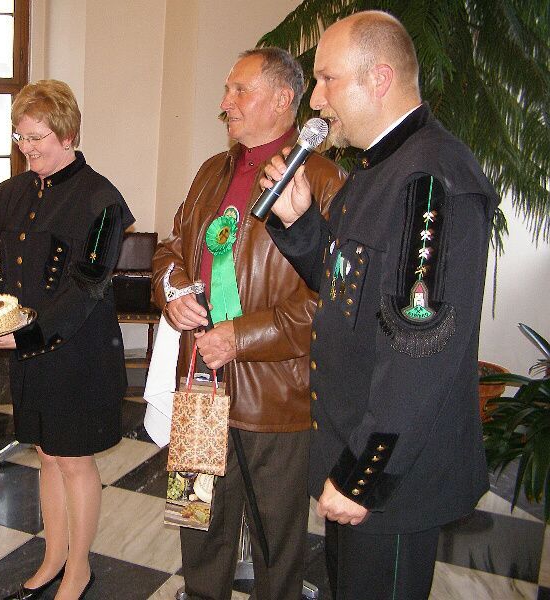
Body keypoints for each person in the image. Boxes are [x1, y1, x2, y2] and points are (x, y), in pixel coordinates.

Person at [262, 11, 499, 600]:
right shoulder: (378, 170)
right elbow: (349, 290)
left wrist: (364, 475)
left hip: (391, 479)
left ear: (380, 78)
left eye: (327, 79)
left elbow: (422, 353)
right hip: (354, 446)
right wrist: (302, 224)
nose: (316, 100)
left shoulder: (430, 180)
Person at [0, 79, 134, 600]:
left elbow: (86, 289)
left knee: (74, 460)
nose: (27, 148)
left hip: (78, 353)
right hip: (31, 353)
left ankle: (78, 569)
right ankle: (52, 557)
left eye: (37, 137)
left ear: (68, 134)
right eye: (20, 137)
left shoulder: (103, 201)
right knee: (46, 453)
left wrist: (25, 337)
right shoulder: (11, 194)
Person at [153, 48, 345, 600]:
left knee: (275, 546)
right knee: (197, 525)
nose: (225, 103)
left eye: (240, 90)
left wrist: (240, 337)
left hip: (274, 399)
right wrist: (173, 293)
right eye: (226, 90)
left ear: (284, 99)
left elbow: (331, 302)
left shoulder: (323, 179)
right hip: (199, 384)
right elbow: (171, 250)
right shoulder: (212, 171)